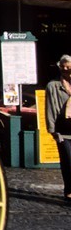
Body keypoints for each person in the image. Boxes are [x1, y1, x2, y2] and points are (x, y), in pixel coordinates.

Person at [47, 55, 71, 201]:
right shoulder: (53, 85)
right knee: (68, 160)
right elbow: (49, 108)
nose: (65, 69)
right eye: (62, 66)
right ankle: (69, 189)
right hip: (64, 131)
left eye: (68, 66)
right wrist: (52, 130)